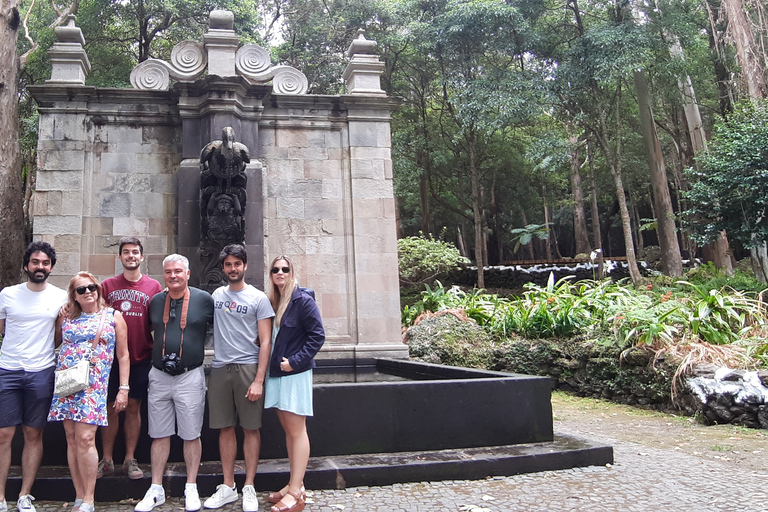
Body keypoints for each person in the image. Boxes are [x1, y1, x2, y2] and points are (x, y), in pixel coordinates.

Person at [135, 254, 214, 512]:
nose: (173, 276)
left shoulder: (203, 300)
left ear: (188, 273)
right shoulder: (156, 301)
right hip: (159, 374)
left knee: (191, 433)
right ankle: (156, 488)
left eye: (178, 271)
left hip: (190, 375)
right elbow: (146, 330)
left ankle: (191, 486)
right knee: (159, 433)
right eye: (168, 272)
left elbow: (220, 328)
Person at [48, 272, 129, 512]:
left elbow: (123, 355)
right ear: (74, 295)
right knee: (72, 439)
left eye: (91, 287)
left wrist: (123, 388)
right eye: (81, 290)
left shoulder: (114, 317)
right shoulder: (67, 316)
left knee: (85, 438)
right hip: (67, 383)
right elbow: (55, 343)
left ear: (98, 289)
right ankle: (79, 494)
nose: (88, 292)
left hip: (93, 386)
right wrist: (59, 317)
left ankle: (90, 498)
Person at [203, 245, 274, 512]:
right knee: (224, 428)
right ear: (223, 268)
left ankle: (250, 486)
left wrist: (258, 380)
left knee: (251, 428)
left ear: (245, 266)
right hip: (221, 368)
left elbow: (265, 341)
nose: (233, 269)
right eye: (228, 265)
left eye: (237, 264)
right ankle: (229, 485)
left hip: (247, 368)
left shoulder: (258, 298)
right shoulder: (217, 295)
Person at [0, 241, 68, 512]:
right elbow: (3, 330)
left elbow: (58, 338)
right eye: (35, 262)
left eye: (45, 263)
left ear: (51, 267)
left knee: (33, 433)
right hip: (8, 370)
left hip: (41, 371)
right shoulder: (8, 294)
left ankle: (25, 494)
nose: (40, 267)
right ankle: (1, 496)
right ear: (26, 265)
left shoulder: (60, 296)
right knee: (4, 434)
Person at [263, 256, 325, 512]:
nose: (280, 273)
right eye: (275, 269)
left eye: (285, 269)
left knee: (297, 430)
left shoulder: (302, 300)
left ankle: (297, 492)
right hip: (278, 373)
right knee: (289, 431)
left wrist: (295, 362)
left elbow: (318, 335)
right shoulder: (274, 300)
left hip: (294, 373)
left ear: (291, 272)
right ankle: (292, 484)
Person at [97, 237, 162, 480]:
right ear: (120, 257)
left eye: (135, 252)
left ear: (142, 257)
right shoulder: (107, 286)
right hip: (110, 360)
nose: (131, 256)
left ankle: (130, 458)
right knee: (110, 408)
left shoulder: (154, 287)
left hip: (141, 356)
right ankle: (106, 459)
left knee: (133, 407)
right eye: (126, 252)